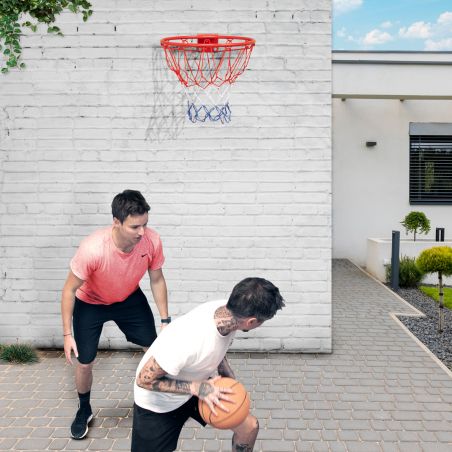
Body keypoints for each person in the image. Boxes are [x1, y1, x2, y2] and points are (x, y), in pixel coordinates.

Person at [61, 189, 170, 440]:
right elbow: (69, 290)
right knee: (85, 361)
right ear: (117, 222)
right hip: (91, 302)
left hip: (129, 298)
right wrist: (67, 334)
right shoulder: (93, 249)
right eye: (135, 227)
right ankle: (84, 408)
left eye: (145, 224)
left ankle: (159, 401)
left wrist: (165, 320)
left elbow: (157, 279)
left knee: (153, 349)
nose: (142, 232)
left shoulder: (151, 241)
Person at [132, 277, 285, 452]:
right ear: (251, 322)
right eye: (262, 321)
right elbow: (144, 380)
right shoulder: (187, 339)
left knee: (249, 427)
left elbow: (217, 347)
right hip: (159, 403)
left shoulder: (230, 313)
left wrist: (226, 374)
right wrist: (196, 388)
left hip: (203, 386)